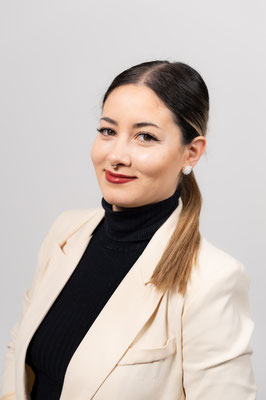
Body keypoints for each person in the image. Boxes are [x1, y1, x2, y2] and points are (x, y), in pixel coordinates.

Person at [0, 60, 256, 400]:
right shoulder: (66, 233)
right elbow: (19, 358)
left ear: (191, 153)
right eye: (108, 131)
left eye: (145, 136)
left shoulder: (212, 280)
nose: (116, 155)